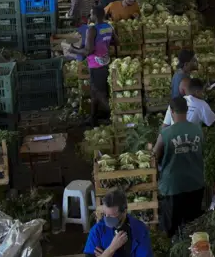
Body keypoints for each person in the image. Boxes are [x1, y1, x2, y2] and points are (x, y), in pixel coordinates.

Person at [154, 96, 205, 238]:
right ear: (187, 110)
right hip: (195, 183)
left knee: (170, 228)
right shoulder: (198, 131)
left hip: (173, 187)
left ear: (171, 111)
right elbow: (202, 152)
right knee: (192, 227)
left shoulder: (165, 133)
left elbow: (155, 157)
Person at [69, 5, 114, 126]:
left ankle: (114, 115)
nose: (90, 16)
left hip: (95, 64)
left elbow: (88, 51)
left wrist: (73, 50)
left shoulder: (92, 30)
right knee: (95, 92)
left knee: (99, 92)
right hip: (105, 61)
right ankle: (93, 118)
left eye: (91, 14)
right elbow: (115, 41)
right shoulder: (109, 27)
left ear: (94, 15)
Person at [83, 188, 154, 257]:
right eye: (105, 214)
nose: (107, 218)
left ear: (124, 212)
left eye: (111, 215)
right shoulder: (97, 230)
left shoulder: (140, 230)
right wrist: (111, 249)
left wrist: (104, 254)